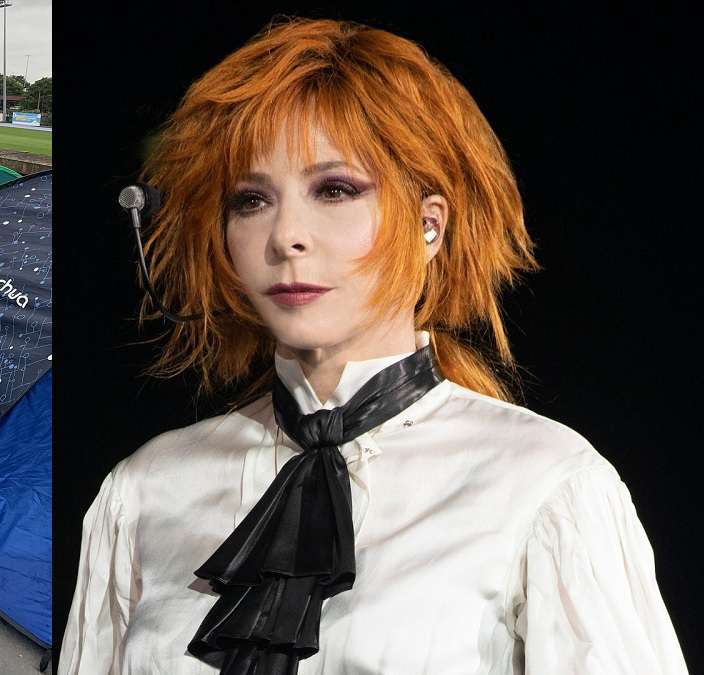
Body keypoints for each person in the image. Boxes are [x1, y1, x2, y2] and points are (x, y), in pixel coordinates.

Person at [60, 17, 688, 675]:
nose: (286, 237)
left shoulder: (546, 485)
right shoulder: (142, 492)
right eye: (251, 200)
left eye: (335, 189)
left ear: (429, 224)